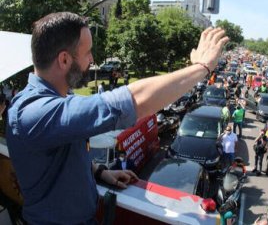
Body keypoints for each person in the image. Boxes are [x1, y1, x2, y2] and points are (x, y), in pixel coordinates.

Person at [6, 12, 229, 224]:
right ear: (64, 60)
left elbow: (65, 152)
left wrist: (100, 172)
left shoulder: (55, 102)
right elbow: (135, 101)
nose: (92, 59)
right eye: (87, 53)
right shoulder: (36, 112)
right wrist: (202, 67)